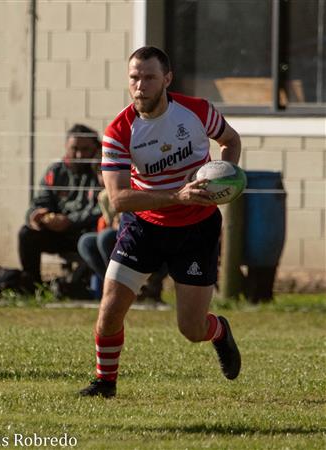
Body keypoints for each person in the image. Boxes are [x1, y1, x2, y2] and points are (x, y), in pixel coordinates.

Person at [80, 46, 242, 398]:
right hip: (144, 227)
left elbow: (230, 141)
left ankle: (220, 331)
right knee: (108, 312)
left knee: (191, 328)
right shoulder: (119, 132)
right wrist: (175, 195)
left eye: (150, 77)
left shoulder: (197, 112)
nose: (141, 85)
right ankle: (105, 383)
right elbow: (120, 199)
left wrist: (227, 179)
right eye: (134, 78)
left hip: (197, 227)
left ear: (167, 79)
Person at [18, 124, 102, 288]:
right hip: (58, 232)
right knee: (26, 233)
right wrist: (37, 216)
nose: (79, 155)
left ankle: (74, 286)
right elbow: (40, 201)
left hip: (85, 233)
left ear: (96, 148)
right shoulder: (56, 171)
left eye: (85, 149)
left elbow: (100, 210)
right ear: (66, 147)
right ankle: (33, 287)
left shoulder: (101, 172)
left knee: (94, 239)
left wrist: (70, 221)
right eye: (74, 148)